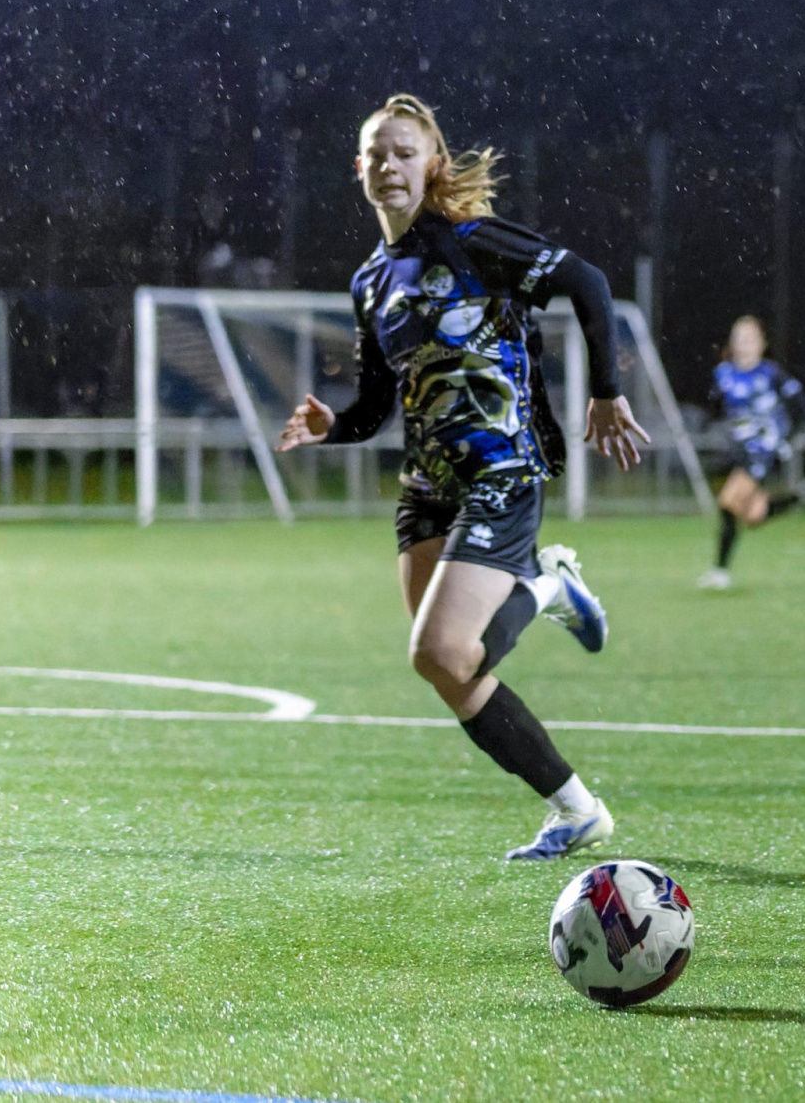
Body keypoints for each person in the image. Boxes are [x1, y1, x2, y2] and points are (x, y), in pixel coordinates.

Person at [276, 94, 651, 859]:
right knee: (452, 671)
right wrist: (331, 426)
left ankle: (545, 584)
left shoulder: (473, 241)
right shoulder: (369, 282)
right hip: (428, 486)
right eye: (377, 152)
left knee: (440, 651)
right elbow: (376, 404)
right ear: (358, 166)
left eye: (404, 151)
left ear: (434, 165)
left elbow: (587, 281)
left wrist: (607, 390)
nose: (389, 164)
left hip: (500, 467)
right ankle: (577, 810)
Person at [699, 315, 805, 589]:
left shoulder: (771, 374)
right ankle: (799, 497)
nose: (744, 345)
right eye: (739, 339)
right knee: (753, 516)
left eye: (750, 339)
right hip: (739, 451)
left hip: (762, 451)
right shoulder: (724, 374)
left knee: (728, 502)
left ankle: (720, 572)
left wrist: (783, 438)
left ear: (762, 343)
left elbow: (803, 407)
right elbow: (715, 408)